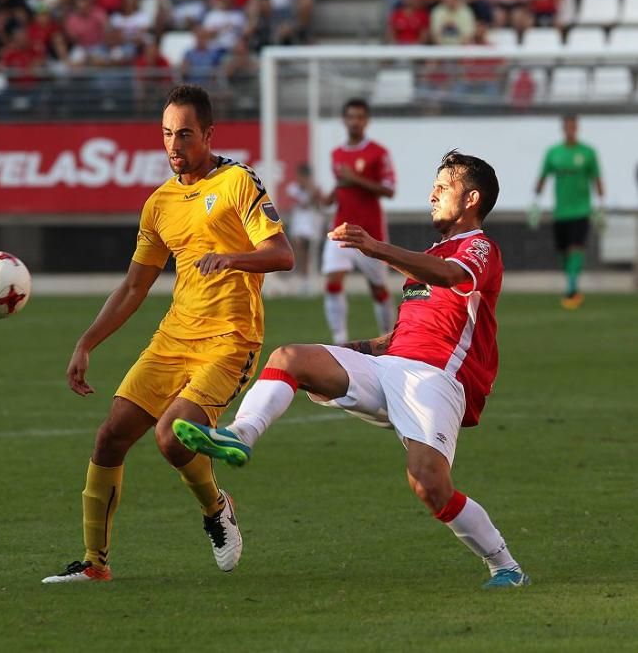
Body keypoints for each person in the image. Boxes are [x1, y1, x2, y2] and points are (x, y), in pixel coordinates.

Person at [173, 150, 531, 590]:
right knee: (291, 358)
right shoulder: (430, 255)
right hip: (389, 367)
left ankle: (505, 565)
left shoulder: (478, 247)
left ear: (472, 198)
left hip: (434, 380)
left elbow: (449, 276)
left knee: (429, 485)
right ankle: (240, 434)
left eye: (444, 186)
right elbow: (393, 340)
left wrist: (377, 248)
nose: (432, 193)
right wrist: (342, 354)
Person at [42, 84, 294, 584]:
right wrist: (87, 342)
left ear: (208, 134)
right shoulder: (159, 203)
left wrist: (233, 257)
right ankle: (95, 564)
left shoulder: (240, 182)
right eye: (166, 134)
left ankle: (217, 508)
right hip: (173, 337)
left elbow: (283, 254)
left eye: (184, 135)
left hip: (230, 338)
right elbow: (136, 284)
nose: (174, 145)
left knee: (171, 438)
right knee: (110, 436)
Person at [321, 98, 396, 345]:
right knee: (333, 282)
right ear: (344, 120)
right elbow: (342, 187)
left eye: (360, 117)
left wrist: (355, 179)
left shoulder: (378, 153)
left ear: (366, 120)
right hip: (341, 228)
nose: (355, 122)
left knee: (378, 289)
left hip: (369, 231)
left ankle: (389, 338)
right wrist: (329, 197)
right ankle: (339, 341)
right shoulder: (337, 154)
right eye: (351, 117)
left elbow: (389, 189)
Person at [532, 114, 604, 309]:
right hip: (561, 212)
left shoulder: (587, 153)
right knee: (563, 252)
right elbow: (543, 176)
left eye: (574, 127)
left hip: (581, 210)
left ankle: (572, 290)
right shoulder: (554, 153)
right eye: (568, 127)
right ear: (564, 129)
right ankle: (571, 281)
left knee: (576, 248)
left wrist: (600, 205)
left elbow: (597, 178)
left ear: (577, 128)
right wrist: (535, 202)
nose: (571, 130)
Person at [283, 163, 324, 294]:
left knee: (308, 251)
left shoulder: (315, 188)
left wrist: (312, 190)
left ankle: (307, 280)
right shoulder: (294, 188)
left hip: (311, 222)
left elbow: (319, 204)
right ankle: (301, 278)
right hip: (299, 222)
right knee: (298, 249)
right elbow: (295, 202)